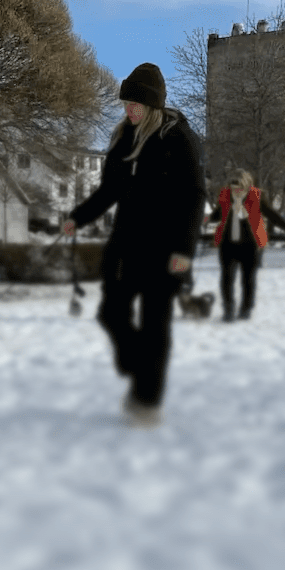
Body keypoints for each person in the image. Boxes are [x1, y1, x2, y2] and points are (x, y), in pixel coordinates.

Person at [61, 63, 205, 426]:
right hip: (125, 244)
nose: (129, 110)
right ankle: (140, 366)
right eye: (126, 104)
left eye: (136, 104)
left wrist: (184, 251)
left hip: (165, 248)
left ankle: (146, 400)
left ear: (152, 104)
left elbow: (194, 197)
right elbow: (109, 190)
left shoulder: (177, 138)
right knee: (111, 313)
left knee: (155, 323)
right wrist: (78, 217)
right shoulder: (123, 137)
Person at [210, 169, 285, 322]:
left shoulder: (256, 196)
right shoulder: (225, 195)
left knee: (248, 279)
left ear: (246, 184)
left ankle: (246, 308)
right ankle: (229, 308)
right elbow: (218, 213)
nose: (236, 189)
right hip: (227, 244)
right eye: (233, 186)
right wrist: (204, 219)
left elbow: (272, 214)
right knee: (227, 278)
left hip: (250, 244)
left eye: (239, 186)